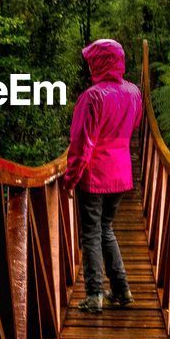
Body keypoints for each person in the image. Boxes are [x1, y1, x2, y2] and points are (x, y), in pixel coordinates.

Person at [61, 38, 143, 314]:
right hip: (121, 174)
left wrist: (70, 180)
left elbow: (82, 144)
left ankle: (94, 294)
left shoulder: (92, 97)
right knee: (106, 228)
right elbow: (134, 127)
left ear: (98, 62)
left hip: (95, 175)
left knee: (91, 234)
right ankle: (121, 290)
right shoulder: (134, 93)